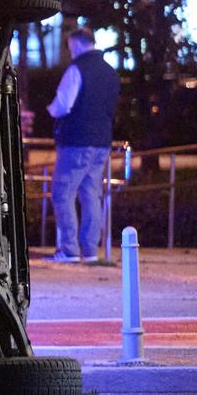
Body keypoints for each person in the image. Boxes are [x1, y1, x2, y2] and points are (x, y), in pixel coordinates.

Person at [46, 28, 121, 263]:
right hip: (101, 142)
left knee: (62, 193)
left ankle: (68, 248)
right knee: (91, 194)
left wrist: (48, 111)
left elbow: (63, 105)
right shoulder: (111, 73)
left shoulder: (76, 69)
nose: (69, 51)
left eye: (69, 46)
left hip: (76, 141)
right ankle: (90, 250)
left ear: (76, 44)